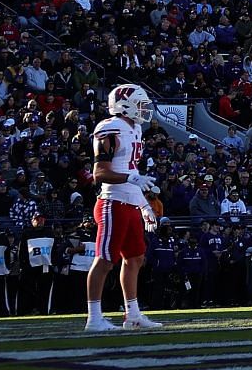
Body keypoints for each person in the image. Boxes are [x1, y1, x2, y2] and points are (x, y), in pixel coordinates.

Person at [86, 83, 163, 333]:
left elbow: (131, 171)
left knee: (135, 258)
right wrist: (130, 180)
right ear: (124, 105)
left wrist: (143, 205)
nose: (144, 110)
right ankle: (94, 318)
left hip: (129, 202)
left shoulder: (136, 128)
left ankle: (133, 315)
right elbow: (99, 172)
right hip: (112, 201)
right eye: (140, 105)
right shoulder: (109, 127)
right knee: (105, 260)